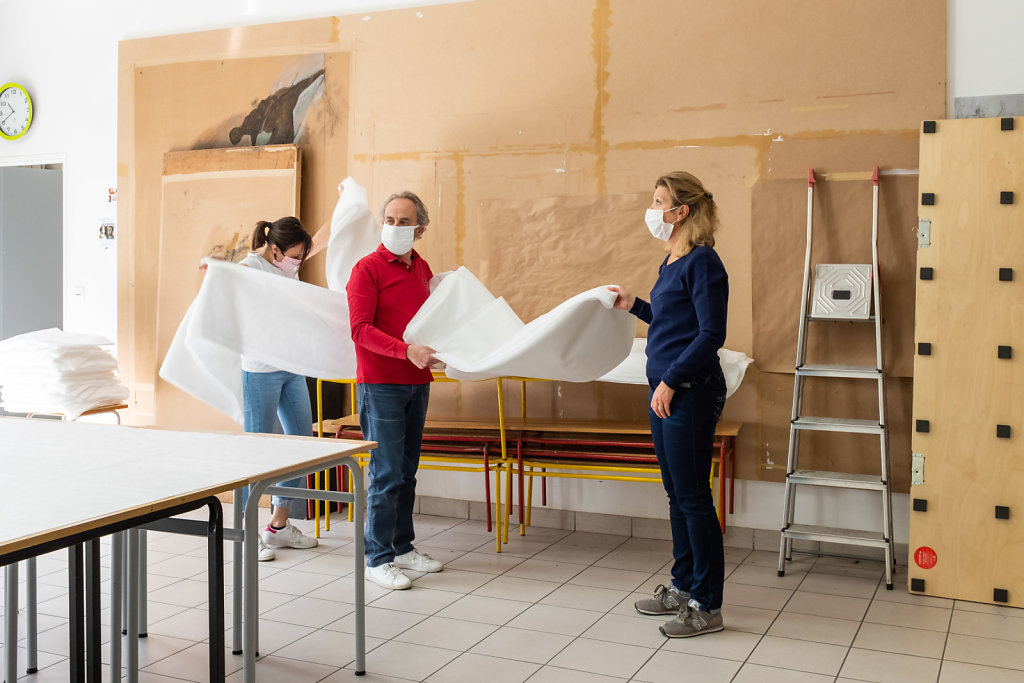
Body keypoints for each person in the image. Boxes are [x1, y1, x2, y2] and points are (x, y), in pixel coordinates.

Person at [609, 171, 729, 637]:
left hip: (689, 391)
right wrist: (636, 304)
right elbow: (671, 320)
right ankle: (682, 586)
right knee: (677, 494)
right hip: (666, 390)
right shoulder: (672, 260)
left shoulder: (704, 263)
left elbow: (710, 334)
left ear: (682, 211)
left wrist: (672, 381)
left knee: (695, 497)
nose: (652, 208)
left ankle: (707, 605)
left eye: (659, 201)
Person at [346, 191, 444, 590]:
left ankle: (402, 547)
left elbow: (426, 320)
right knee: (386, 474)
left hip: (416, 382)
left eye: (404, 222)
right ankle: (377, 557)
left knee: (406, 472)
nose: (394, 227)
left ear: (420, 229)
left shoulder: (421, 267)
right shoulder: (367, 269)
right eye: (389, 219)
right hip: (381, 383)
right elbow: (359, 330)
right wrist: (406, 352)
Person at [238, 216, 320, 561]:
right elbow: (230, 277)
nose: (299, 262)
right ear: (275, 249)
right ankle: (245, 533)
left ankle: (278, 526)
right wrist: (212, 267)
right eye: (296, 256)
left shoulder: (288, 269)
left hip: (292, 368)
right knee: (257, 453)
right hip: (260, 371)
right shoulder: (253, 264)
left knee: (300, 444)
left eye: (302, 256)